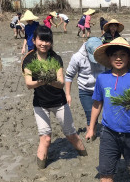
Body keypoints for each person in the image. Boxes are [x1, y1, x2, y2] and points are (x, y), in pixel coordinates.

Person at [86, 37, 130, 182]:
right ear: (109, 58)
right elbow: (97, 104)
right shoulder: (102, 78)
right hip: (109, 133)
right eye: (114, 55)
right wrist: (91, 128)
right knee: (106, 179)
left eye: (122, 55)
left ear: (129, 58)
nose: (118, 58)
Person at [21, 26, 87, 169]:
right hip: (40, 104)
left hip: (59, 103)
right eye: (41, 40)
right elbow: (28, 84)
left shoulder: (56, 58)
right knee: (45, 138)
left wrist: (50, 80)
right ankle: (41, 170)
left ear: (51, 42)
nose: (44, 44)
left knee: (71, 135)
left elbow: (61, 83)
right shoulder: (29, 60)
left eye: (47, 40)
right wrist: (42, 80)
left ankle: (84, 156)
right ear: (34, 40)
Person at [65, 37, 105, 135]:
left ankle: (95, 130)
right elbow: (69, 76)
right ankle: (91, 133)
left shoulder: (105, 55)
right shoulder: (77, 57)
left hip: (101, 89)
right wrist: (68, 94)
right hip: (85, 90)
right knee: (89, 113)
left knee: (101, 112)